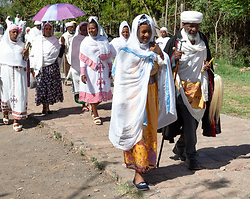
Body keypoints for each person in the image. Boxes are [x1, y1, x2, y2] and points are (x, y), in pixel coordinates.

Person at [109, 14, 177, 190]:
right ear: (135, 31)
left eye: (149, 32)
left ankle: (145, 166)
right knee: (137, 132)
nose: (146, 35)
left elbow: (162, 67)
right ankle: (138, 173)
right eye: (143, 32)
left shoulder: (154, 50)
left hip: (151, 98)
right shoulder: (126, 51)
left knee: (149, 133)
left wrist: (159, 54)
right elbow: (121, 75)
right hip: (133, 100)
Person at [163, 11, 221, 170]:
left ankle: (180, 146)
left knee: (194, 122)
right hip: (180, 88)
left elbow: (207, 58)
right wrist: (173, 58)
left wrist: (207, 66)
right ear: (183, 25)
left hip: (200, 87)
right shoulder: (175, 41)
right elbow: (164, 63)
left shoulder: (203, 40)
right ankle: (191, 156)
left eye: (196, 26)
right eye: (191, 26)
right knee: (189, 121)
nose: (194, 29)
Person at [0, 25, 29, 132]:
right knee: (6, 94)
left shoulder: (21, 45)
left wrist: (26, 55)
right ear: (8, 33)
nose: (15, 34)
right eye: (13, 32)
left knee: (18, 95)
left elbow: (25, 60)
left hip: (18, 74)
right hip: (5, 73)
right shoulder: (3, 45)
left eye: (16, 32)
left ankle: (16, 120)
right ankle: (5, 114)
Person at [79, 18, 112, 125]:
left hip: (103, 69)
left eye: (93, 28)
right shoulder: (86, 42)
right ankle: (96, 114)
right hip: (91, 71)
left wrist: (111, 69)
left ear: (97, 29)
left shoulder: (104, 40)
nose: (91, 30)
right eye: (89, 29)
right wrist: (83, 73)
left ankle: (93, 109)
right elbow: (83, 59)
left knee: (101, 94)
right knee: (93, 91)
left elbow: (109, 56)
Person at [30, 22, 65, 114]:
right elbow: (33, 54)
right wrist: (32, 66)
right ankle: (44, 107)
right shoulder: (38, 40)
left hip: (52, 67)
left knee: (50, 88)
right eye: (46, 29)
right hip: (41, 67)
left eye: (50, 29)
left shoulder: (55, 40)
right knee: (42, 87)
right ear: (43, 30)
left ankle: (47, 107)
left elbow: (59, 54)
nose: (48, 31)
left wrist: (63, 45)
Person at [66, 22, 89, 111]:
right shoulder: (75, 40)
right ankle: (83, 104)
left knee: (88, 84)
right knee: (79, 85)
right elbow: (72, 53)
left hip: (88, 65)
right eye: (83, 30)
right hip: (77, 66)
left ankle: (90, 102)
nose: (85, 32)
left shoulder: (91, 39)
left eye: (86, 30)